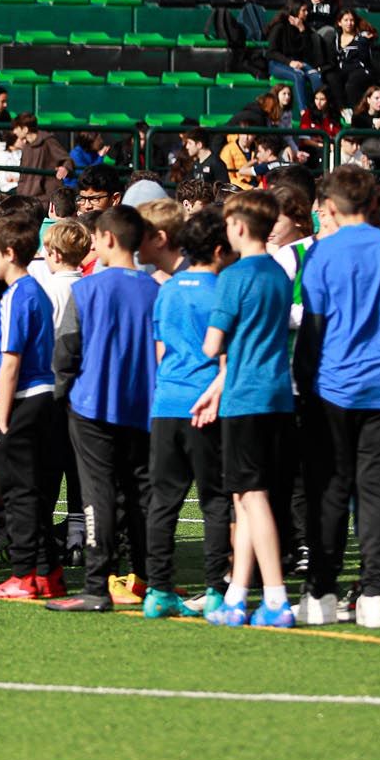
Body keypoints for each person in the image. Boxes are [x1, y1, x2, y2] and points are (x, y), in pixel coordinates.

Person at [293, 166, 380, 629]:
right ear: (372, 205)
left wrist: (305, 384)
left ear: (329, 209)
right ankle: (373, 592)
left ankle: (323, 594)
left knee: (330, 492)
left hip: (332, 387)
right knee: (377, 492)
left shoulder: (322, 254)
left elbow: (314, 329)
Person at [47, 204, 159, 612]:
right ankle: (149, 578)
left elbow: (67, 349)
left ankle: (97, 587)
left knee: (97, 494)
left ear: (108, 239)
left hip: (92, 404)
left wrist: (61, 394)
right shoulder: (155, 289)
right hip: (143, 405)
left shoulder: (88, 289)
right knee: (140, 493)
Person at [194, 191, 298, 628]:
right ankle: (238, 595)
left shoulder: (236, 276)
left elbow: (213, 344)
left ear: (238, 226)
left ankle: (275, 597)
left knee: (253, 498)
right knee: (245, 497)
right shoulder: (277, 270)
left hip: (248, 397)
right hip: (272, 393)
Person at [142, 206, 235, 620]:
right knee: (215, 502)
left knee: (163, 501)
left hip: (167, 404)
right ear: (220, 248)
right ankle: (216, 588)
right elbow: (228, 354)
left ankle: (158, 589)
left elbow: (161, 351)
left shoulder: (168, 289)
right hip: (207, 403)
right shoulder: (223, 290)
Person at [0, 212, 63, 600]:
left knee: (18, 493)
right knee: (35, 491)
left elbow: (10, 360)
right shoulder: (37, 291)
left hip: (22, 400)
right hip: (44, 398)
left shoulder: (17, 295)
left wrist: (0, 412)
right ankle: (47, 571)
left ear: (10, 253)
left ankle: (23, 574)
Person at [267, 0, 327, 101]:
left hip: (299, 62)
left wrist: (302, 30)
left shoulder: (304, 28)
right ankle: (303, 112)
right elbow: (271, 52)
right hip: (279, 63)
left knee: (315, 75)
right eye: (303, 10)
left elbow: (307, 51)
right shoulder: (280, 27)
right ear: (295, 11)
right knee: (298, 76)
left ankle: (318, 108)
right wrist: (289, 62)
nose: (306, 13)